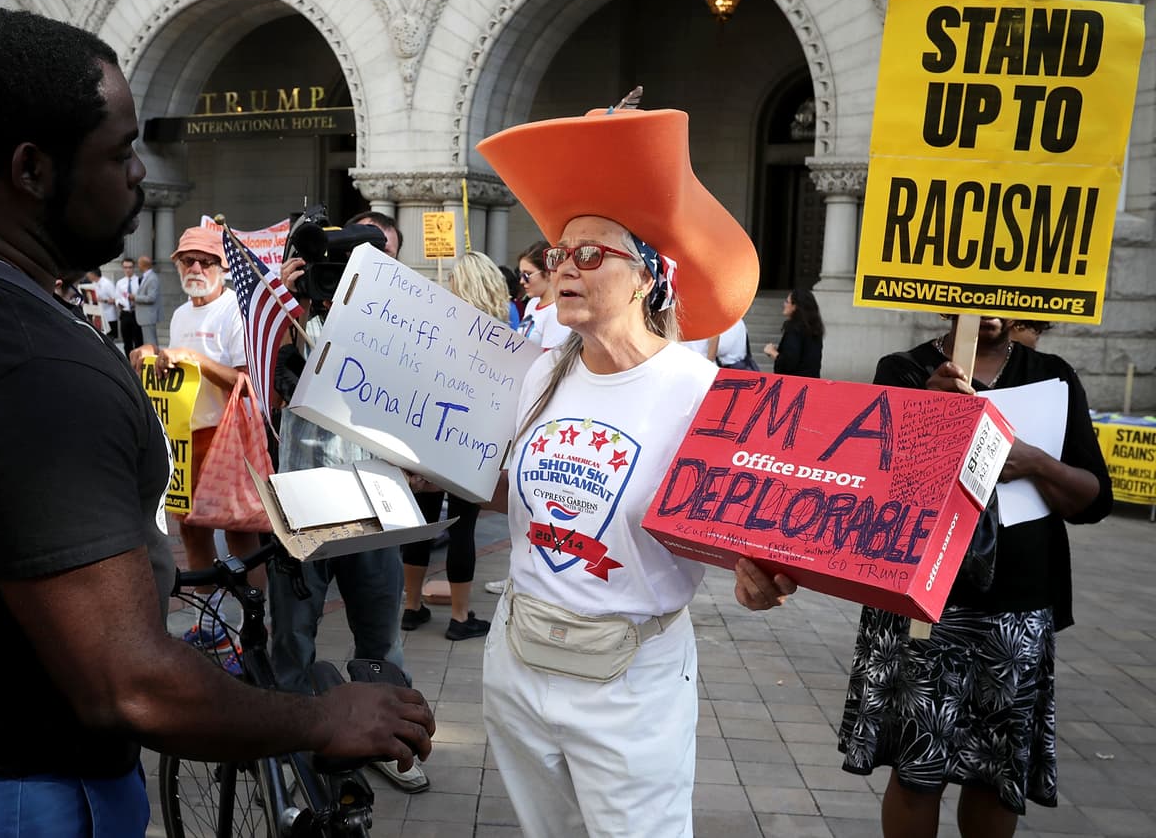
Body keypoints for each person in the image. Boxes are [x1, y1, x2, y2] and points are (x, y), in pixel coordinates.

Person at [0, 9, 433, 836]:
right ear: (31, 169)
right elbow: (129, 682)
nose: (140, 174)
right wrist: (321, 718)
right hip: (3, 798)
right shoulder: (33, 364)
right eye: (118, 151)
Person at [474, 98, 795, 836]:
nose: (565, 268)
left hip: (630, 680)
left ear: (649, 276)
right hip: (519, 661)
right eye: (559, 254)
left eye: (591, 254)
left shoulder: (702, 393)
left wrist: (755, 567)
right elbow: (518, 495)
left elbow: (732, 528)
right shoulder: (541, 373)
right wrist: (432, 470)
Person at [837, 315, 1112, 838]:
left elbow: (1093, 500)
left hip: (1016, 609)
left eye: (999, 299)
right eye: (972, 297)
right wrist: (930, 416)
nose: (987, 313)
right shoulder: (903, 371)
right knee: (919, 769)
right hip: (923, 607)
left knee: (995, 771)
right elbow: (876, 486)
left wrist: (1035, 462)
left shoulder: (1052, 377)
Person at [270, 209, 431, 794]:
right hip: (303, 502)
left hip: (375, 499)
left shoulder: (406, 330)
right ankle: (290, 754)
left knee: (379, 633)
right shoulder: (286, 320)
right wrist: (285, 310)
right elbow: (260, 381)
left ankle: (394, 741)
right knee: (292, 636)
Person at [129, 226, 261, 664]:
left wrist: (201, 362)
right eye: (188, 260)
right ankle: (211, 623)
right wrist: (155, 353)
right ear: (177, 265)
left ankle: (252, 625)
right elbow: (179, 370)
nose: (197, 268)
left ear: (223, 267)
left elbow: (251, 386)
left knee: (240, 529)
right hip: (185, 436)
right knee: (190, 528)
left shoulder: (234, 312)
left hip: (227, 435)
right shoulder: (184, 313)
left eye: (206, 261)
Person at [399, 251, 505, 641]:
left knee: (421, 524)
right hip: (472, 443)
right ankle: (460, 617)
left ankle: (411, 607)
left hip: (428, 437)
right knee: (463, 527)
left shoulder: (436, 329)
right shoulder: (504, 342)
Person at [515, 238, 572, 350]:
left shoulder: (557, 311)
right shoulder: (532, 303)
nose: (522, 281)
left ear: (548, 273)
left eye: (527, 275)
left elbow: (550, 360)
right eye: (520, 274)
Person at [763, 287, 823, 377]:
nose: (784, 304)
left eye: (787, 302)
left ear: (795, 307)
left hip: (795, 385)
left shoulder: (795, 329)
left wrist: (772, 352)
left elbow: (789, 363)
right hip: (811, 383)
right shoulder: (814, 329)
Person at [133, 253, 161, 346]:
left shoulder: (152, 278)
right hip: (144, 316)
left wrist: (135, 297)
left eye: (139, 264)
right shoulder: (146, 276)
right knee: (147, 342)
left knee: (150, 342)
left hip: (148, 316)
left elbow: (151, 298)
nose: (138, 266)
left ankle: (154, 359)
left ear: (143, 265)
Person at [116, 257, 142, 351]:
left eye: (130, 267)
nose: (127, 270)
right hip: (125, 313)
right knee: (127, 342)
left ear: (133, 268)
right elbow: (117, 297)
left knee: (138, 341)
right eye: (125, 267)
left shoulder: (139, 281)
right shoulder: (120, 283)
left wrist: (136, 299)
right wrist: (118, 303)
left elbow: (142, 297)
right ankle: (128, 363)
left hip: (136, 313)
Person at [87, 266, 118, 337]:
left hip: (109, 316)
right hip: (99, 316)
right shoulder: (93, 284)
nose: (87, 276)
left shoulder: (107, 283)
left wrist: (103, 300)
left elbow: (116, 299)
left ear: (93, 274)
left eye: (88, 273)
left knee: (110, 338)